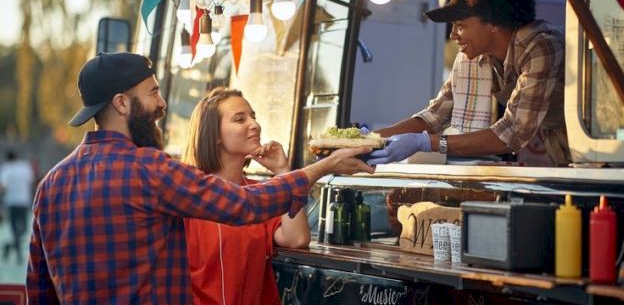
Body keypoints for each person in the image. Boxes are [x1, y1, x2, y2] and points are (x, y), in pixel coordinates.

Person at [26, 52, 373, 304]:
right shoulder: (149, 169)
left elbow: (39, 290)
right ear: (121, 103)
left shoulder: (50, 185)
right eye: (152, 93)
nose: (162, 104)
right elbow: (245, 204)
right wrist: (324, 166)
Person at [368, 0, 570, 167]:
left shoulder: (541, 46)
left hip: (592, 142)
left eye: (460, 26)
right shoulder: (474, 57)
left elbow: (512, 132)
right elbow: (435, 116)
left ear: (494, 22)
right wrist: (371, 139)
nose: (453, 35)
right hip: (557, 147)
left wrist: (425, 143)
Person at [182, 87, 310, 305]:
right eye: (240, 119)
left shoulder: (258, 193)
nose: (255, 125)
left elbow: (296, 239)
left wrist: (283, 172)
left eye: (253, 116)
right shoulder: (186, 195)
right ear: (213, 135)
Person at [0, 149, 35, 261]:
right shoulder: (25, 167)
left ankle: (9, 247)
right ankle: (18, 254)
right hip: (23, 201)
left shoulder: (6, 168)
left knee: (15, 229)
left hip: (11, 202)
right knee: (24, 228)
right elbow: (31, 181)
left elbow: (3, 186)